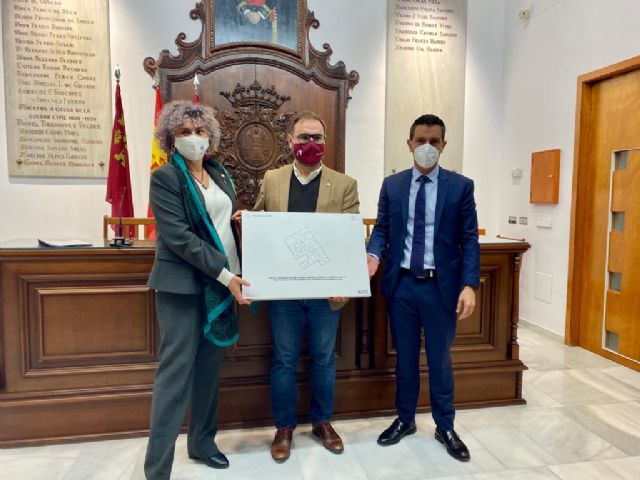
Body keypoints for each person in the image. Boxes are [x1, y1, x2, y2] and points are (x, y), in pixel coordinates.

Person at [144, 100, 251, 479]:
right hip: (183, 287)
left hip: (222, 284)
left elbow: (218, 225)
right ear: (171, 138)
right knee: (175, 375)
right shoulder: (165, 178)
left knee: (208, 370)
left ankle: (202, 443)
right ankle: (157, 468)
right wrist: (226, 276)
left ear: (210, 135)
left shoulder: (219, 174)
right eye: (185, 132)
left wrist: (240, 222)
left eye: (200, 131)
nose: (194, 137)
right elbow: (179, 237)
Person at [367, 114, 480, 462]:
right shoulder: (393, 185)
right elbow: (383, 228)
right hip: (401, 285)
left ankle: (445, 426)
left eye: (434, 141)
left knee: (439, 360)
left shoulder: (460, 187)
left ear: (443, 145)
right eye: (420, 141)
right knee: (405, 359)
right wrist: (372, 253)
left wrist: (469, 284)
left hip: (440, 288)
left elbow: (469, 240)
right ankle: (405, 419)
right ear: (409, 144)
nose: (426, 147)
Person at [251, 111, 360, 462]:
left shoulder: (344, 184)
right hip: (283, 291)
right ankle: (284, 427)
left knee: (324, 359)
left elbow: (349, 238)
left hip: (326, 293)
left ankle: (322, 422)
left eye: (317, 138)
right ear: (290, 140)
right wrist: (246, 222)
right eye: (303, 137)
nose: (310, 143)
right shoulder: (272, 180)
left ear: (325, 142)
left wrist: (346, 282)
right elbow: (260, 224)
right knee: (284, 360)